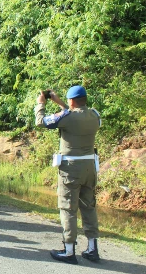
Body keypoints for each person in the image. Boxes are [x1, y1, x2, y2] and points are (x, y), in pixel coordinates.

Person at [35, 86, 101, 264]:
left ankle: (69, 250)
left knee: (68, 208)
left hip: (71, 169)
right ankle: (92, 248)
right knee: (89, 206)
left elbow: (41, 121)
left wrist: (41, 104)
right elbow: (72, 114)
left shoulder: (68, 117)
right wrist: (60, 103)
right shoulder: (95, 115)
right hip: (90, 166)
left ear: (71, 101)